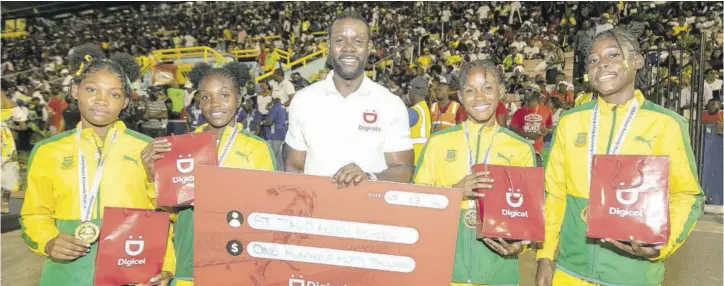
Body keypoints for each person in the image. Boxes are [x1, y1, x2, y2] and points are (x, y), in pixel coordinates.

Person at [536, 27, 703, 286]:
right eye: (593, 60)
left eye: (613, 55)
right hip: (570, 271)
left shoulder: (665, 124)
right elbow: (555, 193)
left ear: (636, 61)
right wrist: (545, 256)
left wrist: (661, 245)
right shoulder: (570, 122)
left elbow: (687, 196)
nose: (601, 64)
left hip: (632, 275)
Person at [19, 46, 175, 285]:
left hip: (132, 272)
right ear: (75, 90)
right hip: (67, 275)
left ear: (125, 102)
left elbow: (165, 216)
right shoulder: (47, 151)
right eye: (92, 89)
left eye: (114, 94)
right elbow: (34, 213)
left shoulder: (148, 149)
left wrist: (165, 266)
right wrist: (48, 240)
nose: (102, 101)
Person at [142, 62, 276, 286]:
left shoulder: (257, 148)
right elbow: (167, 212)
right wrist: (151, 176)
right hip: (187, 260)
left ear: (240, 98)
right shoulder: (181, 147)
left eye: (224, 94)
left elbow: (270, 212)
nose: (215, 103)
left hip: (236, 261)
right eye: (205, 97)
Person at [413, 60, 536, 286]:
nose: (479, 97)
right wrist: (454, 194)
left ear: (501, 92)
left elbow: (526, 216)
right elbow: (417, 203)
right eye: (470, 91)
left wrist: (521, 244)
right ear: (460, 96)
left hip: (498, 273)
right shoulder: (438, 143)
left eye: (487, 88)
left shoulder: (520, 149)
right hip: (445, 271)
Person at [284, 11, 414, 187]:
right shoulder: (303, 100)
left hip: (370, 211)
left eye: (358, 41)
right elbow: (294, 167)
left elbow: (403, 168)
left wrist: (369, 178)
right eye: (339, 40)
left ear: (369, 47)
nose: (349, 47)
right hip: (316, 209)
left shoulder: (391, 104)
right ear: (329, 46)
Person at [509, 86, 553, 167]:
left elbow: (550, 129)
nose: (526, 92)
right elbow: (511, 130)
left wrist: (546, 131)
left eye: (529, 90)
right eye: (525, 90)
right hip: (522, 151)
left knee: (536, 176)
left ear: (537, 94)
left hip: (538, 152)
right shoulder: (519, 112)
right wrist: (527, 134)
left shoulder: (547, 110)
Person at [407, 76, 431, 165]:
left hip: (414, 158)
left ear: (413, 91)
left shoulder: (414, 111)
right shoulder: (423, 108)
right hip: (422, 157)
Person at [261, 98, 287, 171]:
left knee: (271, 155)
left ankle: (270, 172)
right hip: (282, 133)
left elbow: (269, 122)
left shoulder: (274, 108)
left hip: (274, 134)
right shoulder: (283, 107)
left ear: (273, 101)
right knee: (278, 157)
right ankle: (281, 172)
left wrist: (262, 122)